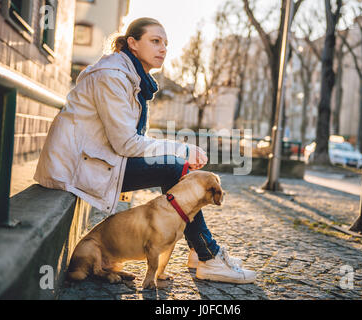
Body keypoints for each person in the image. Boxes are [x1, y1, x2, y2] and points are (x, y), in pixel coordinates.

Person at [34, 17, 256, 284]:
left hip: (96, 158)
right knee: (173, 168)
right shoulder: (112, 77)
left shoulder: (134, 78)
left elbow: (131, 140)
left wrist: (176, 153)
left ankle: (201, 250)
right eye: (155, 41)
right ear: (132, 43)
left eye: (165, 43)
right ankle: (206, 255)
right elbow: (126, 143)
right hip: (76, 165)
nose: (163, 48)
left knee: (173, 165)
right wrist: (181, 150)